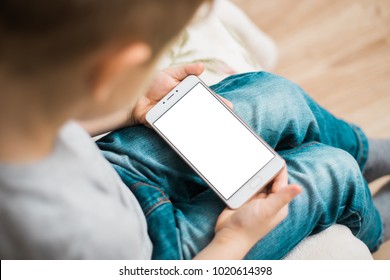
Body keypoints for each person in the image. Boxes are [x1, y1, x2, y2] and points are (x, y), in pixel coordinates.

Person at [0, 0, 387, 259]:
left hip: (110, 169)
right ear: (109, 73)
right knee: (330, 172)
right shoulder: (80, 239)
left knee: (274, 94)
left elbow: (55, 114)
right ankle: (376, 226)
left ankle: (366, 151)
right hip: (158, 249)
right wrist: (235, 238)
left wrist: (129, 103)